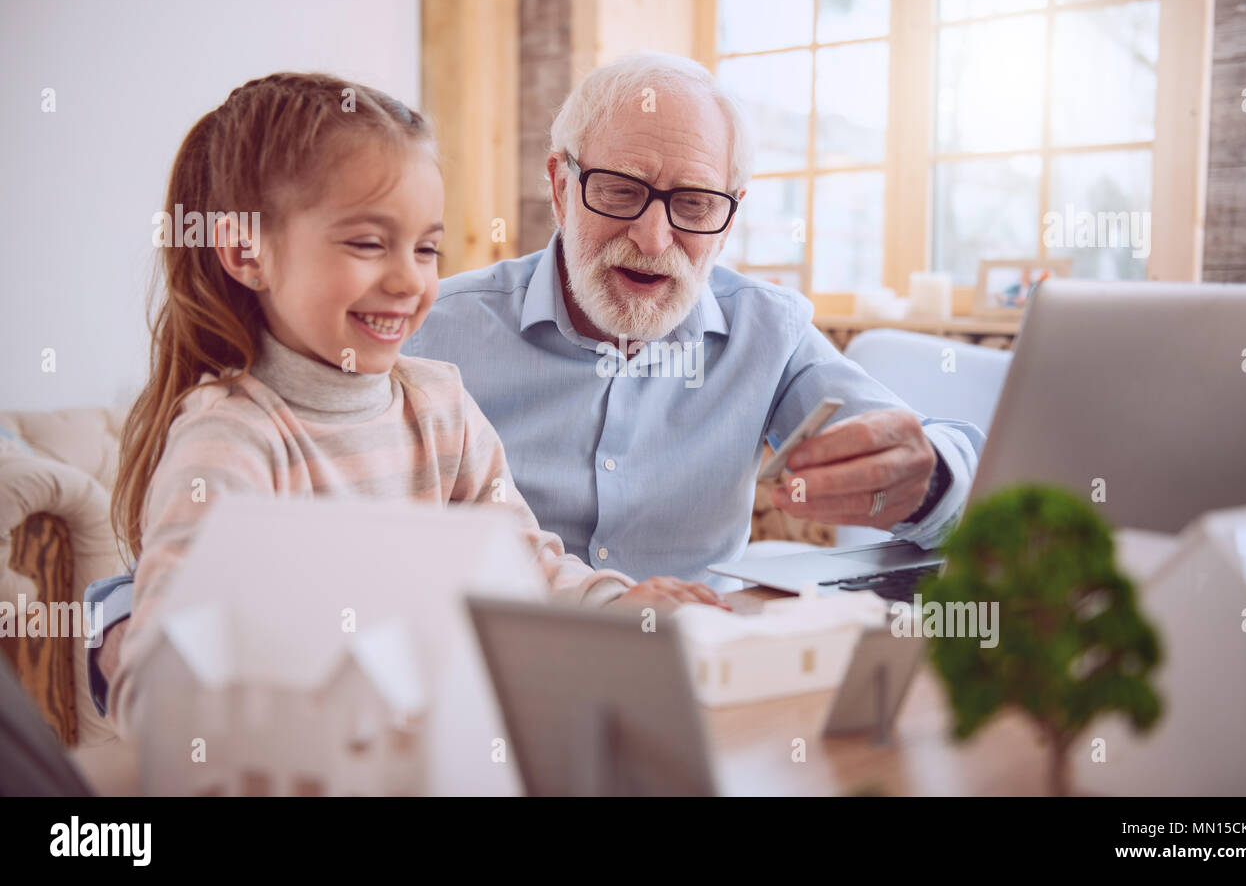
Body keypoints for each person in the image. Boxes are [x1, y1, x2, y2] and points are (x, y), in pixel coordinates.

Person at [96, 72, 727, 734]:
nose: (408, 280)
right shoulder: (231, 439)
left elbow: (519, 563)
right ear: (244, 250)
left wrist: (618, 608)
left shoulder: (439, 401)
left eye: (427, 247)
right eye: (368, 243)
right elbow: (157, 686)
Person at [405, 52, 987, 585]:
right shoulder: (432, 329)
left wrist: (931, 480)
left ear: (729, 219)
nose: (654, 240)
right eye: (619, 191)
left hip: (701, 662)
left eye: (695, 204)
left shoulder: (767, 334)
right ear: (561, 188)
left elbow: (953, 472)